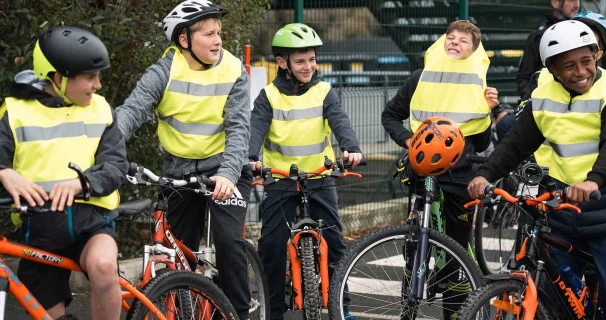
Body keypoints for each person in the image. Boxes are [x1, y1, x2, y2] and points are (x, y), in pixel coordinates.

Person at [468, 20, 606, 319]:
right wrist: (485, 173)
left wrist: (593, 181)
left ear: (597, 56)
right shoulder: (543, 93)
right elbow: (517, 143)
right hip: (563, 207)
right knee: (556, 294)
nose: (581, 72)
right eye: (570, 66)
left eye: (586, 61)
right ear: (552, 69)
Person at [114, 0, 251, 318]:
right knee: (178, 256)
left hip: (224, 169)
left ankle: (240, 314)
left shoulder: (233, 70)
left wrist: (229, 174)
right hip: (179, 171)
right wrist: (106, 149)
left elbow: (239, 129)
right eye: (208, 34)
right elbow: (131, 111)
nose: (218, 40)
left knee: (229, 243)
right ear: (184, 40)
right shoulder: (164, 70)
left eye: (219, 32)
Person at [0, 26, 127, 320]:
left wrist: (81, 184)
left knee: (105, 266)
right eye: (89, 77)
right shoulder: (15, 112)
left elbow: (116, 166)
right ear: (58, 78)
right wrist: (4, 172)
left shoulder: (102, 110)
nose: (98, 85)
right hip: (39, 232)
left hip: (91, 226)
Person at [381, 20, 499, 319]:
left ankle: (455, 312)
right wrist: (410, 141)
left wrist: (488, 110)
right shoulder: (422, 77)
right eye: (450, 37)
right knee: (414, 245)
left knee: (456, 252)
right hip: (422, 172)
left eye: (463, 40)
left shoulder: (478, 84)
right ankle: (407, 308)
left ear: (474, 51)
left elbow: (482, 141)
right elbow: (391, 114)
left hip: (461, 177)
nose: (454, 42)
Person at [248, 23, 362, 320]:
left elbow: (340, 122)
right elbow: (255, 130)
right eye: (300, 61)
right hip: (281, 180)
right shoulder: (269, 96)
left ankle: (342, 308)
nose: (308, 66)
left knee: (335, 244)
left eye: (311, 59)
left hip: (320, 178)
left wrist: (350, 148)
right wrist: (250, 157)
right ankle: (273, 312)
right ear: (282, 63)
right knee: (271, 246)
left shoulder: (324, 91)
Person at [516, 0, 606, 99]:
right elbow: (525, 77)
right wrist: (532, 102)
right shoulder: (538, 36)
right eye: (572, 0)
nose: (577, 5)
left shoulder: (591, 32)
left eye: (586, 61)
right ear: (555, 2)